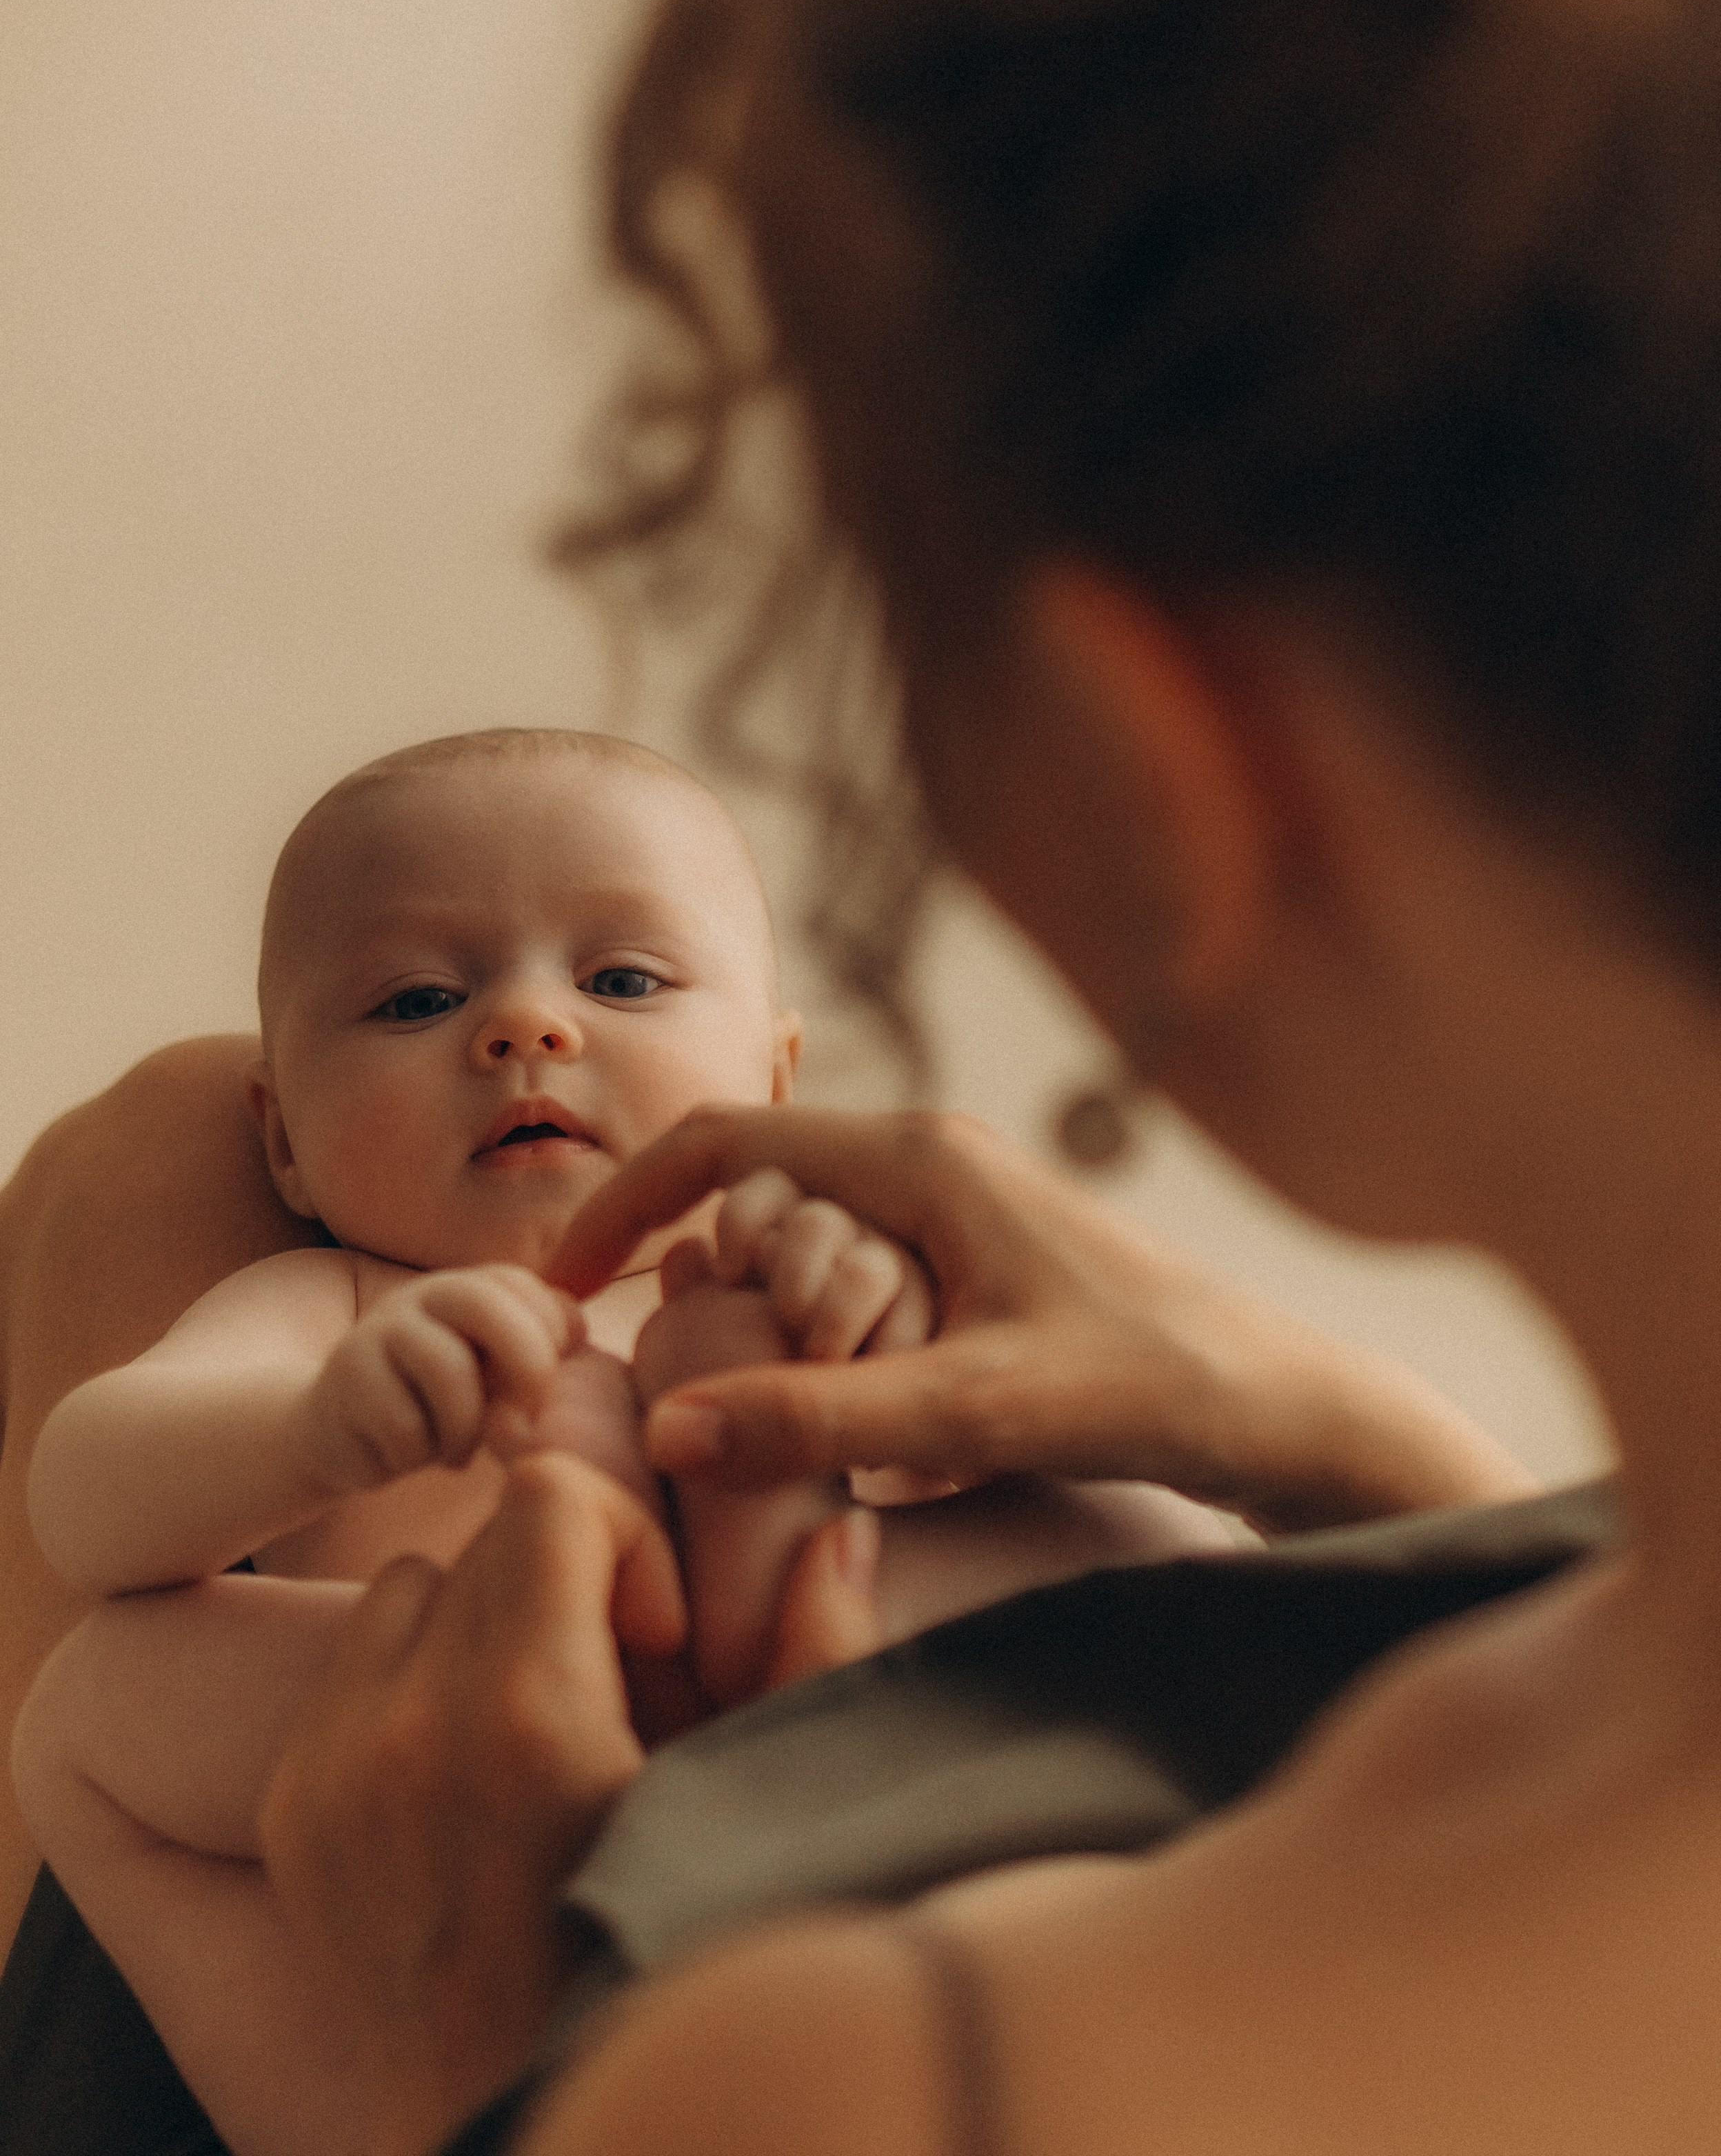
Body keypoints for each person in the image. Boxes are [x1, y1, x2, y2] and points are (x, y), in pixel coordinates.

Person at [227, 0, 1721, 2148]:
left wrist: (481, 2040)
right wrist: (1371, 1459)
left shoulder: (899, 2078)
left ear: (1179, 787)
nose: (524, 1029)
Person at [8, 722, 1251, 2156]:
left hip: (828, 1692)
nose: (525, 1028)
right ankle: (345, 2120)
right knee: (91, 1714)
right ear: (281, 1142)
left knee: (1152, 1540)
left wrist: (887, 1314)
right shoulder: (338, 1302)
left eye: (621, 980)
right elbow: (87, 1502)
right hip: (439, 1743)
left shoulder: (805, 1248)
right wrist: (308, 1424)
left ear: (776, 1086)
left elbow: (996, 1438)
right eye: (415, 1000)